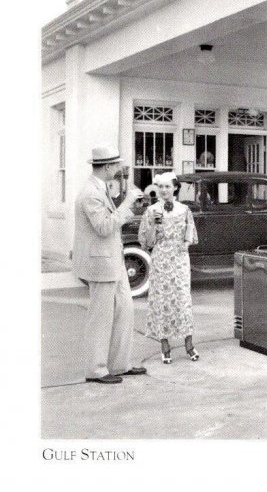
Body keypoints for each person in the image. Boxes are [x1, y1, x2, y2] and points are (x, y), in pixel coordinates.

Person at [73, 145, 147, 384]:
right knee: (101, 317)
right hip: (100, 264)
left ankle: (119, 364)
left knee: (124, 310)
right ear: (106, 166)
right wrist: (127, 204)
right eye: (115, 165)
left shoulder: (100, 188)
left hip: (112, 261)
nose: (118, 169)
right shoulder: (90, 193)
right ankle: (96, 369)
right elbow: (104, 227)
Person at [138, 172, 200, 364]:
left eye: (167, 187)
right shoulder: (151, 211)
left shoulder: (184, 210)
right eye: (161, 187)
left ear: (175, 188)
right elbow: (146, 242)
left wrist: (185, 244)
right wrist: (154, 226)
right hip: (161, 258)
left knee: (182, 299)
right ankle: (165, 346)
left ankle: (189, 344)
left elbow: (190, 233)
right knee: (163, 300)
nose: (164, 191)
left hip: (180, 258)